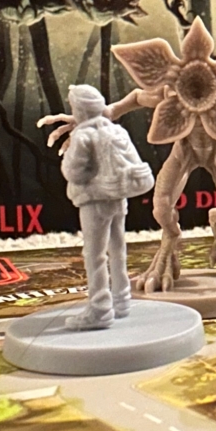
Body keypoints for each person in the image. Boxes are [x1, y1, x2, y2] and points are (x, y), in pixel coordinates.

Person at [55, 84, 154, 330]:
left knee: (95, 254)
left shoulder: (83, 136)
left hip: (95, 200)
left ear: (80, 110)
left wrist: (67, 159)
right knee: (118, 248)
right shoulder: (118, 131)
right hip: (118, 197)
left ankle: (100, 309)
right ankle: (122, 299)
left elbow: (74, 173)